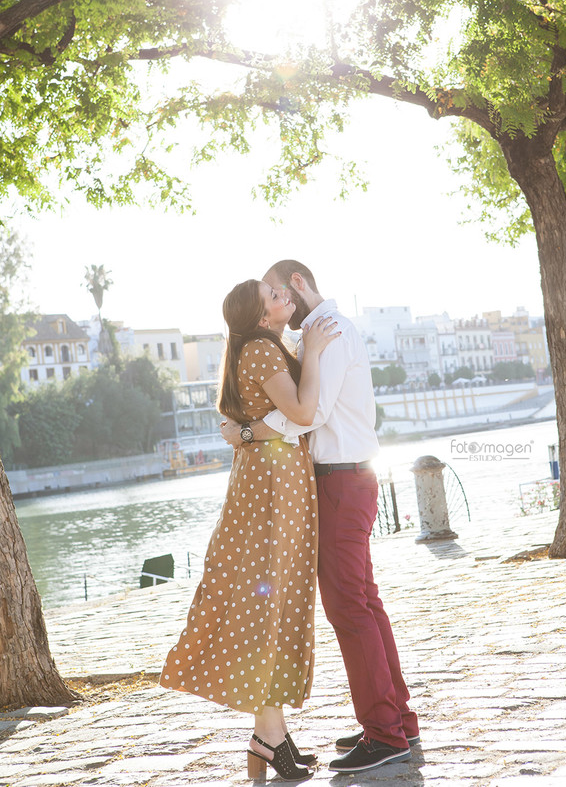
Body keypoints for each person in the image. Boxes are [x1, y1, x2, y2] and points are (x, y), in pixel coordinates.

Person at [221, 260, 419, 773]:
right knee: (364, 604)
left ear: (298, 286)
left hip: (339, 481)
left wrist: (249, 431)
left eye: (277, 291)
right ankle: (396, 718)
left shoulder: (326, 332)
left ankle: (385, 733)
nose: (276, 303)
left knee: (350, 610)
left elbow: (313, 412)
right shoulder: (318, 334)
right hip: (340, 479)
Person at [160, 278, 339, 783]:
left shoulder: (263, 345)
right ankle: (268, 735)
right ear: (263, 318)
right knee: (269, 601)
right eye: (275, 298)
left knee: (276, 602)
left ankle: (273, 734)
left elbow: (267, 420)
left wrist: (248, 430)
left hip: (273, 483)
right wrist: (319, 352)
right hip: (270, 491)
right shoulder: (261, 349)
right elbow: (302, 412)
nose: (285, 299)